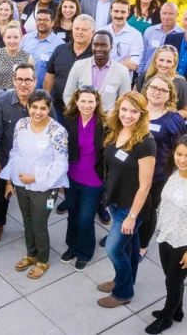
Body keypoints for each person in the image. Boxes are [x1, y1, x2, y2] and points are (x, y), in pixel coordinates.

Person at [0, 90, 69, 279]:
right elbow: (15, 153)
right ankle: (31, 254)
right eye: (34, 107)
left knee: (39, 224)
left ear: (49, 109)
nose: (38, 112)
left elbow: (60, 164)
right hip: (22, 184)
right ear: (28, 106)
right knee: (27, 220)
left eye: (43, 108)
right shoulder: (21, 125)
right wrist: (9, 181)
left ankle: (43, 260)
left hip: (45, 188)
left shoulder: (57, 131)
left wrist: (35, 177)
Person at [96, 92, 156, 308]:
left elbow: (145, 185)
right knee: (130, 247)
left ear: (142, 114)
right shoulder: (116, 130)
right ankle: (123, 280)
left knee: (114, 250)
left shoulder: (145, 143)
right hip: (115, 200)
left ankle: (123, 293)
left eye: (133, 111)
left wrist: (132, 217)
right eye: (124, 109)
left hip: (131, 208)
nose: (128, 115)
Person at [0, 64, 56, 245]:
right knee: (3, 195)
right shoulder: (2, 102)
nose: (23, 84)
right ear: (13, 80)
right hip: (8, 160)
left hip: (36, 163)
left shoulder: (43, 100)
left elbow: (54, 131)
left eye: (28, 80)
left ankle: (35, 226)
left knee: (34, 198)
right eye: (19, 79)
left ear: (35, 81)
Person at [138, 75, 187, 260]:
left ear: (170, 95)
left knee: (149, 211)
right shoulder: (137, 111)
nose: (157, 92)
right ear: (147, 89)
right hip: (133, 172)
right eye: (154, 88)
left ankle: (142, 245)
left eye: (163, 90)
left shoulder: (173, 119)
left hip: (156, 177)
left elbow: (181, 149)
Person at [144, 135, 187, 334]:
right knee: (170, 277)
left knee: (173, 281)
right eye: (179, 154)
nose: (182, 159)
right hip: (166, 234)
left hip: (183, 242)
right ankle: (177, 310)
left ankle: (167, 317)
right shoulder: (175, 172)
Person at [61, 86, 106, 271]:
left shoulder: (104, 124)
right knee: (72, 214)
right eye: (83, 101)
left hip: (94, 181)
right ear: (76, 102)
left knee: (86, 218)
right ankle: (72, 246)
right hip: (72, 177)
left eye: (91, 101)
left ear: (96, 103)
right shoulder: (69, 120)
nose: (87, 105)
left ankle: (85, 252)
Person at [63, 30, 131, 112]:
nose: (99, 49)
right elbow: (67, 95)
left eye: (104, 45)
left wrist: (111, 117)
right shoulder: (78, 65)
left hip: (107, 121)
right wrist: (79, 114)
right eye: (95, 45)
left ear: (111, 46)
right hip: (81, 120)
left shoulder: (122, 71)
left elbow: (125, 101)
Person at [44, 14, 95, 122]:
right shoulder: (60, 50)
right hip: (58, 109)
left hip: (85, 113)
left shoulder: (96, 55)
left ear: (92, 32)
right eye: (77, 28)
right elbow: (50, 76)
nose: (79, 32)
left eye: (84, 29)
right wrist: (46, 100)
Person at [135, 45, 187, 118]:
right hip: (142, 120)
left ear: (174, 63)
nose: (164, 64)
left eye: (169, 61)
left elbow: (185, 111)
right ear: (156, 59)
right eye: (161, 60)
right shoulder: (146, 75)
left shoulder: (181, 83)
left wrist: (164, 117)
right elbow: (133, 98)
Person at [0, 21, 33, 93]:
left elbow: (30, 84)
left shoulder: (28, 58)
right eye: (9, 37)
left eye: (16, 37)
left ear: (21, 37)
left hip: (19, 98)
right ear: (4, 38)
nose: (12, 41)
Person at [21, 9, 64, 89]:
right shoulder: (25, 38)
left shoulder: (59, 45)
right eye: (39, 19)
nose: (41, 22)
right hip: (22, 88)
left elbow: (58, 73)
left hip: (42, 92)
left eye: (45, 20)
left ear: (52, 23)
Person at [103, 0, 144, 76]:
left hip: (123, 82)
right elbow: (94, 60)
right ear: (110, 12)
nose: (119, 15)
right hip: (101, 79)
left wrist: (106, 65)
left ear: (128, 13)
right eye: (116, 11)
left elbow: (134, 65)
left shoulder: (135, 35)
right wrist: (124, 63)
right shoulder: (101, 32)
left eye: (123, 12)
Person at [140, 2, 183, 74]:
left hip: (169, 78)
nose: (167, 17)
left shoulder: (182, 34)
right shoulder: (150, 31)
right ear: (160, 13)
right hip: (148, 75)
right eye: (164, 13)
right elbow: (142, 55)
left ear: (177, 15)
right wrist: (140, 74)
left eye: (171, 13)